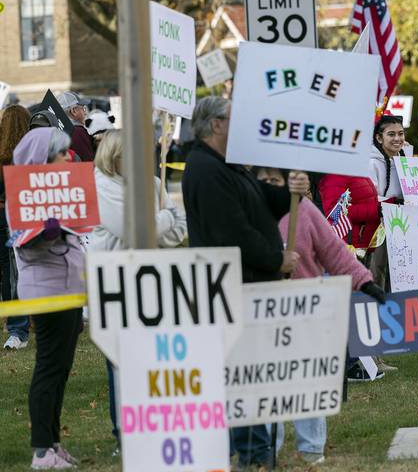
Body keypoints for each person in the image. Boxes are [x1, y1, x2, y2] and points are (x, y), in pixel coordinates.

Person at [181, 96, 308, 468]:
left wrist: (293, 189)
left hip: (248, 283)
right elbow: (232, 232)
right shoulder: (205, 169)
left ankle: (252, 449)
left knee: (248, 371)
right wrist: (276, 259)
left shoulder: (229, 164)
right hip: (232, 286)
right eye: (235, 117)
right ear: (216, 124)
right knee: (242, 373)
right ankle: (252, 453)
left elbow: (265, 203)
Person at [256, 167, 387, 465]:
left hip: (306, 311)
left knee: (308, 382)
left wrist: (365, 282)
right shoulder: (248, 211)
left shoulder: (304, 211)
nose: (269, 185)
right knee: (267, 384)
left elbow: (334, 251)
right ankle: (267, 450)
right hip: (263, 315)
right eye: (263, 180)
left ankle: (312, 450)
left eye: (275, 180)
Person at [88, 129, 187, 447]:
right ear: (113, 157)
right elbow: (134, 230)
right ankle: (124, 433)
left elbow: (179, 230)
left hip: (148, 282)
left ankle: (149, 424)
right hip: (115, 283)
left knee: (149, 358)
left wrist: (159, 222)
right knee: (120, 360)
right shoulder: (102, 186)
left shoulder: (153, 184)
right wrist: (163, 218)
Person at [13, 127, 84, 469]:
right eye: (60, 152)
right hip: (47, 291)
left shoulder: (62, 189)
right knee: (49, 367)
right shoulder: (24, 194)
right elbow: (24, 243)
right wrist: (48, 231)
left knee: (61, 367)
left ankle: (53, 443)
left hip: (68, 287)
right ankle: (41, 450)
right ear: (43, 158)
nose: (67, 157)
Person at [0, 104, 32, 350]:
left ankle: (16, 326)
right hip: (22, 217)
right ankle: (18, 327)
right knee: (17, 272)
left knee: (9, 273)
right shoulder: (31, 155)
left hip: (7, 217)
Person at [368, 114, 412, 290]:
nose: (397, 139)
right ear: (379, 138)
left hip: (403, 223)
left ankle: (398, 302)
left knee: (402, 270)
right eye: (391, 134)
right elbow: (369, 197)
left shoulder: (406, 161)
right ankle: (377, 302)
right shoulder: (372, 163)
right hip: (379, 226)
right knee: (378, 268)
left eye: (401, 134)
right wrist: (392, 202)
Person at [56, 91, 94, 162]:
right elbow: (88, 162)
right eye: (83, 108)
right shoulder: (78, 132)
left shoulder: (58, 131)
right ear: (74, 111)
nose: (85, 113)